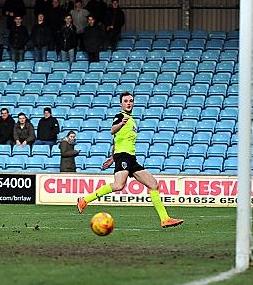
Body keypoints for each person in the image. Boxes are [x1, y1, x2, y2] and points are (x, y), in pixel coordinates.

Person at [77, 92, 184, 229]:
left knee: (153, 184)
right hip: (123, 156)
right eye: (126, 101)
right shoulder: (121, 116)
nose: (129, 103)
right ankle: (85, 200)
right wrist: (120, 124)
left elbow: (116, 139)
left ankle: (165, 219)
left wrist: (111, 157)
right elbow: (112, 130)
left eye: (131, 101)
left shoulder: (132, 120)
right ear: (121, 104)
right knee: (119, 185)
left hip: (130, 158)